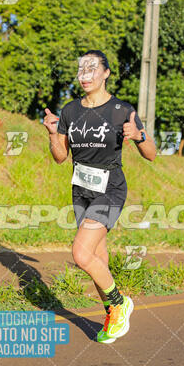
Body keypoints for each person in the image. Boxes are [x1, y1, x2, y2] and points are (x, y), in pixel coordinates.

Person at [43, 50, 156, 343]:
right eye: (81, 69)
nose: (85, 74)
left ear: (106, 73)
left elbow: (151, 155)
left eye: (92, 68)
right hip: (81, 188)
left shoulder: (122, 110)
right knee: (96, 256)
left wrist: (139, 136)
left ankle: (119, 303)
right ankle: (111, 313)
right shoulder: (70, 111)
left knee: (80, 254)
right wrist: (53, 134)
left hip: (110, 187)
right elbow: (59, 157)